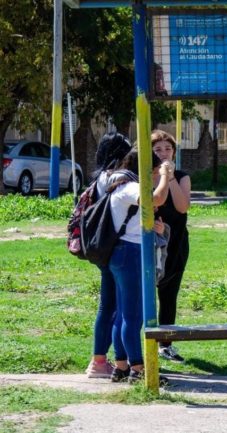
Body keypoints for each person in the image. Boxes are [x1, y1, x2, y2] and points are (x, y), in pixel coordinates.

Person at [108, 150, 172, 384]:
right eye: (154, 172)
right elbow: (156, 199)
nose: (156, 177)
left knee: (123, 313)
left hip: (121, 251)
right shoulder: (131, 187)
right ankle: (138, 369)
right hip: (130, 251)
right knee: (133, 315)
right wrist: (166, 175)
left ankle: (122, 366)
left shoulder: (120, 184)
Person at [85, 132, 132, 378]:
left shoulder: (98, 178)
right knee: (119, 308)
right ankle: (110, 362)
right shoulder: (118, 178)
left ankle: (100, 361)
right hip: (117, 246)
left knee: (108, 305)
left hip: (101, 246)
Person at [151, 129, 191, 363]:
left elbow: (182, 206)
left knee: (168, 295)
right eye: (158, 150)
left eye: (168, 149)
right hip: (151, 244)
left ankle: (165, 344)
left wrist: (171, 177)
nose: (164, 153)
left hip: (175, 244)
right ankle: (142, 344)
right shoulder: (144, 178)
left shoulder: (182, 176)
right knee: (145, 294)